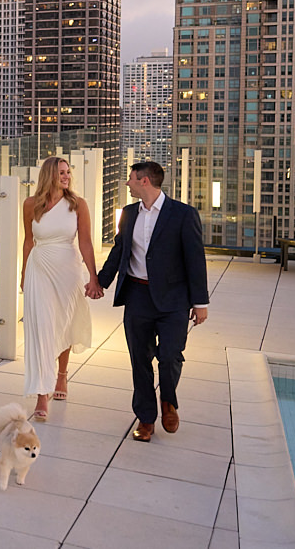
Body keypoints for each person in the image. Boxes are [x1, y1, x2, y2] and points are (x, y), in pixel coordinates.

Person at [98, 161, 209, 442]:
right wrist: (100, 281)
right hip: (137, 296)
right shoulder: (129, 213)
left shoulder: (183, 215)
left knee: (170, 355)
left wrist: (200, 303)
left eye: (131, 179)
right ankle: (146, 418)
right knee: (140, 360)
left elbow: (195, 260)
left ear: (144, 181)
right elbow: (119, 251)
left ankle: (168, 401)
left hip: (173, 300)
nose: (127, 183)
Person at [21, 157, 103, 421]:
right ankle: (41, 394)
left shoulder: (78, 205)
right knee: (41, 328)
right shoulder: (30, 205)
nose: (67, 177)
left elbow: (87, 242)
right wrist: (24, 273)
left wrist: (93, 276)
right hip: (39, 269)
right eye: (61, 173)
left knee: (63, 323)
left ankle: (61, 375)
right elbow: (28, 241)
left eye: (68, 172)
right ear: (48, 175)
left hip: (67, 269)